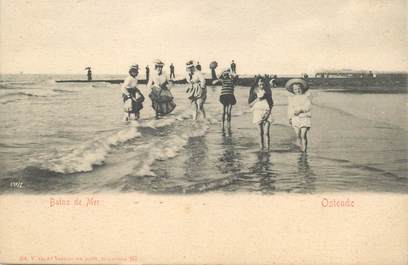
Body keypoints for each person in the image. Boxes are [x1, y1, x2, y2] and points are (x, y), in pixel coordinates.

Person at [286, 78, 311, 152]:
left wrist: (300, 110)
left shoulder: (306, 97)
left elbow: (308, 107)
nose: (297, 90)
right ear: (293, 90)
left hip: (304, 117)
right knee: (298, 135)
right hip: (295, 118)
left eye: (299, 88)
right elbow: (290, 109)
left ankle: (304, 150)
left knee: (303, 135)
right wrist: (290, 118)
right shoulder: (292, 98)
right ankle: (300, 147)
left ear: (302, 89)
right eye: (295, 89)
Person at [248, 76, 274, 150]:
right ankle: (261, 148)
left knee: (266, 133)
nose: (261, 83)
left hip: (267, 112)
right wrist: (257, 99)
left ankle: (268, 149)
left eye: (262, 81)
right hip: (257, 114)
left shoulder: (267, 92)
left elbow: (271, 104)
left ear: (264, 83)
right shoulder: (254, 92)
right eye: (259, 81)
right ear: (257, 83)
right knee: (260, 133)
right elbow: (250, 105)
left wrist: (267, 113)